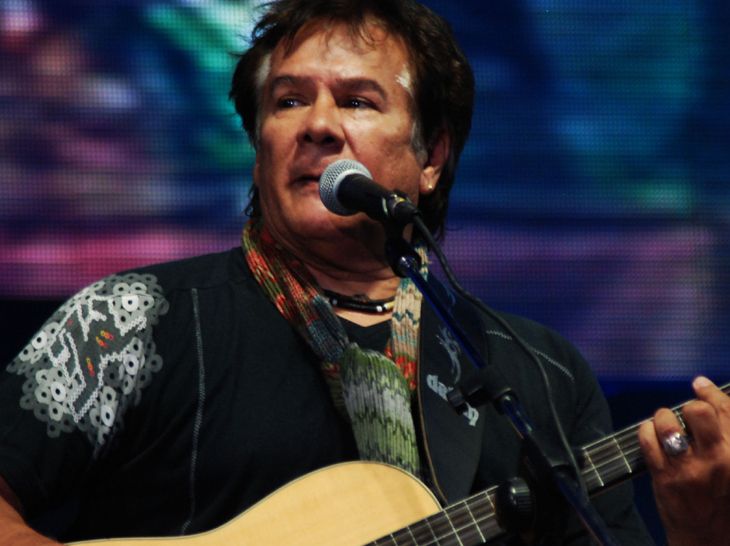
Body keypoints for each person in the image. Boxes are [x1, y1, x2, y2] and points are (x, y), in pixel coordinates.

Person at [0, 0, 723, 544]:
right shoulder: (129, 320)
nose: (316, 124)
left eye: (356, 100)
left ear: (431, 157)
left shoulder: (541, 375)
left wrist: (700, 530)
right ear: (259, 145)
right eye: (289, 100)